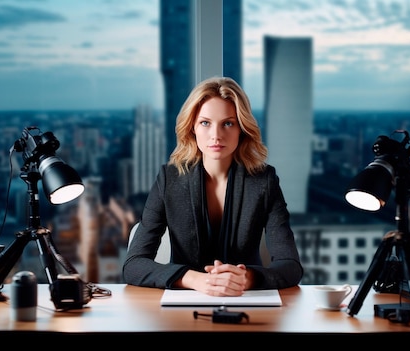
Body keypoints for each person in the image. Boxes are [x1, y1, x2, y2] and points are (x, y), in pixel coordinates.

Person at [122, 76, 303, 297]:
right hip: (183, 302)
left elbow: (291, 266)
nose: (216, 135)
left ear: (241, 129)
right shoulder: (169, 179)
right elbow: (133, 265)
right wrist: (194, 279)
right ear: (192, 128)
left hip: (245, 299)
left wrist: (247, 278)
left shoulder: (264, 181)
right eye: (205, 123)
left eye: (228, 123)